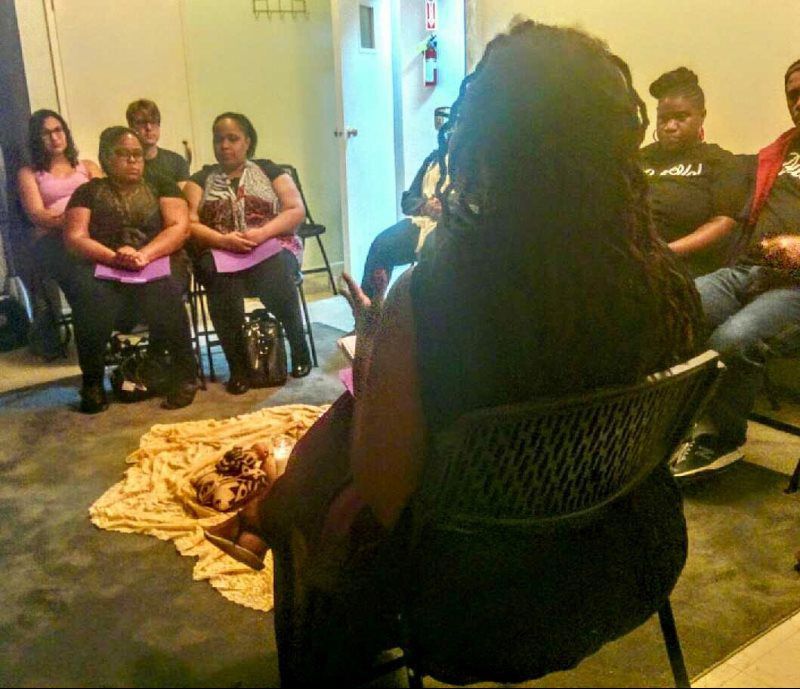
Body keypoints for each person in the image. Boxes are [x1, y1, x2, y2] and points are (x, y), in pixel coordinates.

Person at [204, 21, 704, 683]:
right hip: (626, 556)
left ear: (483, 139)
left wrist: (378, 351)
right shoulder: (660, 280)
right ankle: (270, 513)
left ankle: (283, 548)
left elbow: (384, 494)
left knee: (335, 498)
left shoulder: (434, 289)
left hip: (476, 604)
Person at [671, 58, 800, 478]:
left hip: (794, 287)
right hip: (749, 269)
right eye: (793, 95)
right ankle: (662, 424)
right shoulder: (778, 153)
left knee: (733, 339)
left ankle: (720, 440)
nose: (799, 102)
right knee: (673, 305)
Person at [64, 126, 198, 413]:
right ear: (105, 156)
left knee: (164, 288)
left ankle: (186, 375)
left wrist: (144, 254)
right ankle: (92, 383)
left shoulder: (162, 183)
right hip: (105, 264)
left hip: (157, 258)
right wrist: (114, 257)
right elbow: (75, 238)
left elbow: (179, 228)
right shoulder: (88, 191)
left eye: (137, 154)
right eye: (123, 154)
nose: (133, 160)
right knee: (88, 294)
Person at [184, 112, 311, 392]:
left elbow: (295, 211)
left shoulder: (270, 170)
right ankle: (238, 367)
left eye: (233, 138)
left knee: (274, 269)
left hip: (270, 245)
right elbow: (189, 223)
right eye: (219, 140)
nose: (225, 146)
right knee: (218, 279)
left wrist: (262, 234)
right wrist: (221, 239)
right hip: (221, 249)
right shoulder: (200, 179)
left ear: (248, 141)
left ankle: (299, 349)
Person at [640, 68, 749, 277]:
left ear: (702, 116)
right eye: (663, 119)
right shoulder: (638, 158)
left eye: (681, 117)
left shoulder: (720, 161)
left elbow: (723, 222)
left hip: (681, 266)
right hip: (624, 255)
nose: (670, 127)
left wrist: (664, 253)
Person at [17, 110, 102, 359]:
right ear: (37, 139)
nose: (55, 137)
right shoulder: (29, 173)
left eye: (59, 130)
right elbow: (36, 214)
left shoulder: (86, 167)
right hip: (53, 239)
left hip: (93, 234)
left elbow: (106, 200)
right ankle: (91, 348)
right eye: (47, 133)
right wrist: (70, 221)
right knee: (82, 281)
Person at [360, 133, 447, 298]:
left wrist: (448, 208)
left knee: (432, 251)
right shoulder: (434, 158)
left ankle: (424, 317)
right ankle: (370, 314)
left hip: (452, 224)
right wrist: (425, 206)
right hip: (421, 220)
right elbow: (408, 201)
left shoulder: (476, 161)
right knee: (382, 245)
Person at [126, 99, 190, 188]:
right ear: (131, 127)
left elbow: (183, 199)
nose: (148, 127)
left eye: (153, 122)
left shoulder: (177, 162)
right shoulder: (127, 163)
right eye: (142, 122)